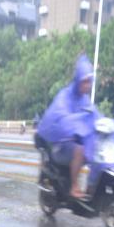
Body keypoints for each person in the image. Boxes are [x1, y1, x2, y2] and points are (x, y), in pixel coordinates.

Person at [36, 54, 98, 199]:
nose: (87, 86)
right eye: (85, 82)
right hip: (60, 146)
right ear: (78, 81)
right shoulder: (65, 96)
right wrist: (73, 122)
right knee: (80, 150)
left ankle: (91, 187)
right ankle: (74, 186)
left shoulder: (84, 99)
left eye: (89, 82)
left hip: (73, 142)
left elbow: (94, 114)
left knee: (96, 150)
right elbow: (61, 115)